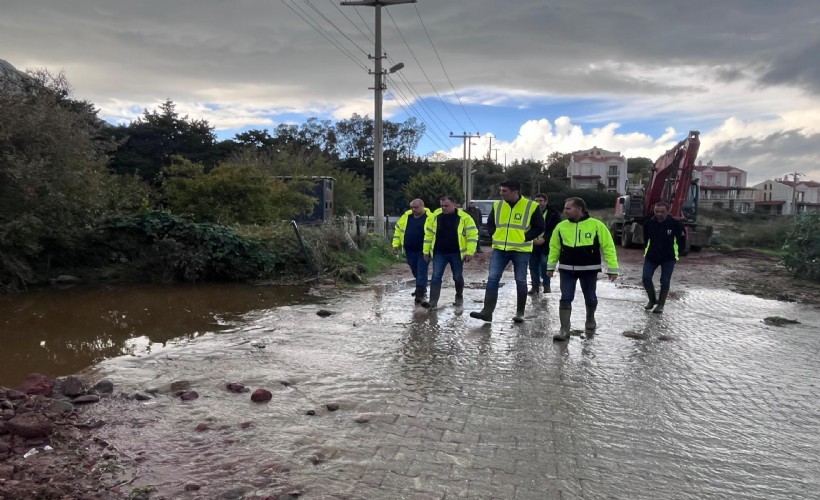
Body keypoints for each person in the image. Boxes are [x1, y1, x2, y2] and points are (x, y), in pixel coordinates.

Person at [470, 181, 545, 323]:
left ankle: (520, 313)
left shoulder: (531, 206)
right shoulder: (498, 205)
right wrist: (494, 235)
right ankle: (487, 312)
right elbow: (491, 223)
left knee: (520, 281)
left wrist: (525, 237)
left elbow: (539, 226)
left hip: (521, 250)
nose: (501, 193)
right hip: (499, 249)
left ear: (515, 191)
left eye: (504, 191)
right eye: (501, 190)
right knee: (492, 279)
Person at [547, 197, 619, 341]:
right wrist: (550, 267)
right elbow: (554, 248)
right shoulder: (561, 227)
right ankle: (564, 330)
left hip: (589, 269)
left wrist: (612, 268)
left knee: (590, 298)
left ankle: (590, 318)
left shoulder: (597, 225)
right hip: (567, 269)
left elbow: (608, 247)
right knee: (566, 297)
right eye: (565, 208)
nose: (564, 211)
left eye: (568, 208)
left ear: (579, 209)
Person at [421, 196, 478, 309]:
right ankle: (433, 302)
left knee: (457, 276)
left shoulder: (464, 218)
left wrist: (470, 252)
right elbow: (428, 236)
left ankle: (459, 295)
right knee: (436, 276)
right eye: (442, 205)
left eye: (446, 205)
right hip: (439, 252)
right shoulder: (435, 217)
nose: (444, 208)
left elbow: (472, 235)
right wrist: (426, 251)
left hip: (456, 253)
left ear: (454, 204)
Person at [642, 201, 686, 314]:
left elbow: (682, 240)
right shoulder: (649, 224)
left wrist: (679, 252)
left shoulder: (676, 224)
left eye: (662, 212)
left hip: (668, 257)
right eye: (657, 211)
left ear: (668, 211)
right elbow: (645, 239)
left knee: (665, 281)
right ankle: (652, 300)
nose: (659, 214)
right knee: (646, 278)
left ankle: (660, 305)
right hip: (651, 256)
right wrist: (645, 250)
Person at [392, 199, 432, 304]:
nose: (413, 209)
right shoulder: (406, 217)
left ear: (422, 207)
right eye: (412, 207)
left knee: (421, 271)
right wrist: (395, 245)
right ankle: (421, 288)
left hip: (424, 250)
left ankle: (420, 294)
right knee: (415, 271)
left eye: (416, 207)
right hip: (409, 250)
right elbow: (398, 231)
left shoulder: (430, 218)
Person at [528, 193, 561, 294]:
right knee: (533, 265)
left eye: (541, 201)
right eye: (536, 201)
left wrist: (544, 239)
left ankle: (547, 286)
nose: (538, 203)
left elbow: (555, 229)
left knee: (544, 264)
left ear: (546, 202)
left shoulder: (553, 213)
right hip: (532, 243)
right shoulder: (529, 212)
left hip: (547, 244)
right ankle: (535, 286)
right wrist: (531, 239)